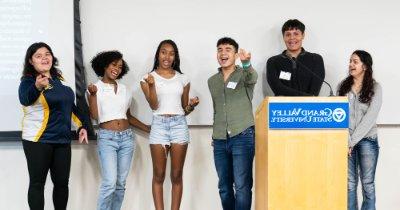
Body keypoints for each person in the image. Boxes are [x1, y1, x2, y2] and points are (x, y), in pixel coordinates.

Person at [18, 42, 88, 210]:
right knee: (37, 184)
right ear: (31, 61)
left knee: (62, 184)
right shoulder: (28, 81)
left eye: (47, 54)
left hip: (62, 141)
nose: (44, 58)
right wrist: (37, 86)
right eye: (39, 55)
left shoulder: (59, 81)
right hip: (38, 140)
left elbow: (69, 107)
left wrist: (81, 127)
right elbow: (25, 99)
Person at [87, 50, 150, 210]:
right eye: (114, 64)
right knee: (109, 183)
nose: (117, 68)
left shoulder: (124, 89)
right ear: (104, 65)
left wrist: (147, 128)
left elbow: (127, 116)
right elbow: (95, 116)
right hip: (107, 138)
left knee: (121, 183)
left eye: (120, 66)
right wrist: (93, 96)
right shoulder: (95, 88)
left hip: (127, 139)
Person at [140, 39, 199, 210]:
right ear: (158, 54)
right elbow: (153, 105)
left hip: (179, 125)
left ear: (175, 57)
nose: (167, 56)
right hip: (159, 126)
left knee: (177, 175)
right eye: (163, 52)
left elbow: (183, 108)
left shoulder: (183, 78)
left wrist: (192, 106)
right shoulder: (146, 78)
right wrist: (151, 85)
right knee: (159, 175)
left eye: (171, 53)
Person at [208, 37, 258, 210]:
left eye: (228, 49)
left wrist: (247, 63)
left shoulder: (244, 74)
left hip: (242, 136)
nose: (223, 53)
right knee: (224, 187)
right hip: (220, 139)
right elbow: (216, 110)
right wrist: (215, 134)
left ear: (236, 54)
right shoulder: (212, 81)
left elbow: (253, 76)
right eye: (220, 49)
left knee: (242, 186)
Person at [338, 50, 382, 210]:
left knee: (368, 184)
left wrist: (352, 141)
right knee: (349, 184)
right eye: (350, 61)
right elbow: (339, 115)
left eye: (355, 61)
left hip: (367, 141)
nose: (350, 64)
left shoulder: (376, 88)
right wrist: (347, 140)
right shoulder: (342, 86)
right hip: (346, 140)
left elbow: (370, 118)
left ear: (365, 66)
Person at [266, 19, 325, 96]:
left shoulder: (316, 59)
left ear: (303, 35)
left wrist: (307, 99)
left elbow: (314, 91)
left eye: (296, 34)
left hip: (309, 107)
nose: (292, 38)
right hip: (282, 107)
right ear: (283, 37)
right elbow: (278, 88)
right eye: (288, 34)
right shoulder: (273, 61)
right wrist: (307, 97)